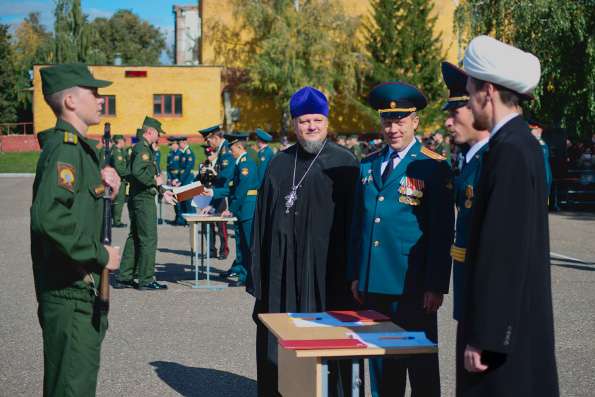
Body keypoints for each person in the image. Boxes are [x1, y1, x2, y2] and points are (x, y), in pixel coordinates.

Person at [460, 35, 558, 396]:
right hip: (513, 327)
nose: (469, 104)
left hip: (502, 340)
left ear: (486, 90)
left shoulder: (511, 151)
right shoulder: (518, 144)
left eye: (470, 92)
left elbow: (504, 252)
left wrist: (486, 336)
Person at [249, 86, 360, 397]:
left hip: (328, 278)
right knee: (280, 344)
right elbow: (261, 224)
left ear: (327, 121)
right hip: (281, 278)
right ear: (294, 124)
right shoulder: (278, 163)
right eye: (304, 121)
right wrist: (257, 274)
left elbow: (356, 226)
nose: (311, 127)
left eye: (317, 120)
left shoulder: (345, 163)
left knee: (328, 347)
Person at [347, 82, 454, 397]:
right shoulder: (368, 164)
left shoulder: (432, 166)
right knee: (382, 366)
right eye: (387, 121)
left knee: (420, 368)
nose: (393, 128)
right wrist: (355, 273)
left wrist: (436, 284)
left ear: (415, 121)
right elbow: (359, 224)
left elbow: (441, 231)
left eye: (400, 120)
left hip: (413, 286)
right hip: (373, 284)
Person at [31, 63, 122, 396]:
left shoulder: (81, 151)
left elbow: (81, 208)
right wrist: (99, 254)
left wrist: (107, 187)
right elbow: (49, 218)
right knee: (71, 387)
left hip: (81, 290)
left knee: (77, 383)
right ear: (70, 101)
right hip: (70, 293)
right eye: (93, 92)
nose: (100, 100)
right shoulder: (65, 149)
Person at [440, 61, 491, 393]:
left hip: (483, 297)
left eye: (456, 111)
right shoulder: (473, 159)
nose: (447, 121)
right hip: (468, 293)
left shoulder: (492, 160)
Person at [115, 117, 176, 290]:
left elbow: (135, 172)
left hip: (138, 197)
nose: (159, 137)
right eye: (158, 133)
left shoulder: (143, 148)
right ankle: (146, 279)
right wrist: (155, 182)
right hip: (143, 199)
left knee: (135, 236)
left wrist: (163, 191)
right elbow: (137, 172)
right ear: (150, 131)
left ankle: (125, 276)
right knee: (148, 238)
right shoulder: (142, 148)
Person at [201, 133, 259, 287]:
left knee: (248, 245)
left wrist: (231, 209)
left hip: (246, 208)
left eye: (232, 148)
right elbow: (230, 187)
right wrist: (213, 193)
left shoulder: (246, 164)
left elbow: (241, 190)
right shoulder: (239, 163)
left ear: (239, 147)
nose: (230, 151)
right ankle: (244, 275)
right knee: (241, 244)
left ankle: (253, 278)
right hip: (242, 209)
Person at [199, 125, 234, 260]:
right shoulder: (221, 152)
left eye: (209, 141)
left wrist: (214, 199)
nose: (208, 145)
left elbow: (225, 179)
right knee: (209, 225)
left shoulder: (225, 152)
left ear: (215, 138)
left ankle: (224, 250)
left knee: (221, 226)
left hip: (223, 195)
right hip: (215, 194)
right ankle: (213, 249)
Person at [528, 118, 553, 193]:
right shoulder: (542, 144)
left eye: (531, 129)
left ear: (538, 129)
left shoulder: (539, 144)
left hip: (541, 181)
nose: (530, 131)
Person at [111, 134, 129, 227]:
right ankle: (117, 221)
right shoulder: (117, 152)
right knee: (119, 201)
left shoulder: (120, 151)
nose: (124, 143)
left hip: (119, 179)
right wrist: (128, 174)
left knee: (116, 201)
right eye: (123, 141)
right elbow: (119, 168)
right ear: (120, 141)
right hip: (119, 180)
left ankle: (115, 219)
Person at [166, 136, 185, 225]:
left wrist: (177, 179)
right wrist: (169, 179)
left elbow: (183, 168)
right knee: (174, 200)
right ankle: (177, 217)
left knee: (179, 200)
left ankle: (181, 219)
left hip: (178, 180)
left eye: (171, 144)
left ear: (176, 144)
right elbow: (168, 168)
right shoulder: (170, 154)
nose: (170, 146)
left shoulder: (181, 154)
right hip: (172, 179)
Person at [177, 136, 196, 219]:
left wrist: (180, 180)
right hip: (184, 179)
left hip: (187, 179)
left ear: (184, 143)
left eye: (179, 143)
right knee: (183, 200)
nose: (178, 145)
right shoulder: (183, 153)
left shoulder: (189, 153)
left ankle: (192, 218)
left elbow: (188, 168)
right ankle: (185, 220)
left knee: (189, 201)